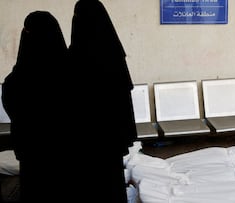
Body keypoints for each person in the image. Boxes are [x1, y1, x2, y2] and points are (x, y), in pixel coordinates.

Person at [68, 0, 137, 202]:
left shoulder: (73, 58)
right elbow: (124, 100)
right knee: (111, 181)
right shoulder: (114, 55)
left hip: (84, 138)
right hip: (110, 137)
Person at [1, 11, 69, 202]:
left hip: (33, 157)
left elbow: (12, 107)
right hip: (66, 155)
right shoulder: (73, 74)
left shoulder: (16, 80)